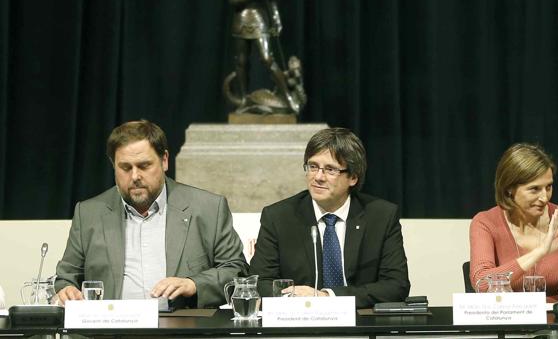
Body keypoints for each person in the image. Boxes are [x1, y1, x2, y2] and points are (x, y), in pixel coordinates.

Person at [55, 120, 248, 308]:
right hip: (112, 329)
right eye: (125, 167)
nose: (135, 176)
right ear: (113, 165)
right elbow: (66, 278)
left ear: (164, 160)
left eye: (144, 165)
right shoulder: (89, 213)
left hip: (183, 329)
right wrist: (67, 291)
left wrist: (193, 284)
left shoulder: (207, 208)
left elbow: (236, 272)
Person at [249, 127, 410, 308]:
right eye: (313, 166)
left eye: (330, 170)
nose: (318, 177)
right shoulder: (278, 217)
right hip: (299, 326)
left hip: (359, 328)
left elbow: (396, 286)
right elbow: (260, 283)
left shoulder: (381, 216)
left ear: (353, 177)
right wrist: (293, 297)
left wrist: (327, 297)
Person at [469, 143, 558, 302]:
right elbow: (481, 283)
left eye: (549, 187)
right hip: (506, 322)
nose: (545, 197)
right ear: (509, 188)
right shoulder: (485, 222)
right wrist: (540, 252)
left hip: (554, 324)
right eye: (534, 189)